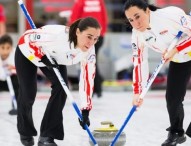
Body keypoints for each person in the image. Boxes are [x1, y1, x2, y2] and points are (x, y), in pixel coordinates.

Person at [15, 17, 101, 146]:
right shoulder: (57, 36)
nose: (91, 43)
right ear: (78, 32)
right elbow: (25, 39)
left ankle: (47, 136)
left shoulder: (89, 51)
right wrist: (41, 57)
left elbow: (87, 79)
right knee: (28, 93)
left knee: (62, 88)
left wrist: (85, 109)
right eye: (89, 37)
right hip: (28, 53)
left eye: (95, 39)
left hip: (54, 58)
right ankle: (25, 131)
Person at [123, 0, 191, 146]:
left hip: (182, 51)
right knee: (172, 98)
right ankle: (176, 132)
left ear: (147, 11)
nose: (136, 23)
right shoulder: (137, 35)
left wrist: (176, 49)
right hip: (181, 60)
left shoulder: (169, 15)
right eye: (131, 20)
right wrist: (138, 92)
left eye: (137, 16)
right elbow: (139, 63)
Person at [68, 0, 108, 97]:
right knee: (92, 60)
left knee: (88, 62)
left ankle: (93, 88)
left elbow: (74, 18)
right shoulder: (99, 1)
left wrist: (73, 34)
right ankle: (97, 88)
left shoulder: (80, 1)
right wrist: (101, 34)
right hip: (98, 36)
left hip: (86, 36)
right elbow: (104, 18)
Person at [0, 34, 18, 115]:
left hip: (11, 80)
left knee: (19, 83)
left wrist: (13, 68)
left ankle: (16, 106)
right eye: (2, 47)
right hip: (1, 79)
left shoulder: (16, 54)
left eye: (8, 48)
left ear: (11, 48)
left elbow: (22, 69)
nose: (5, 51)